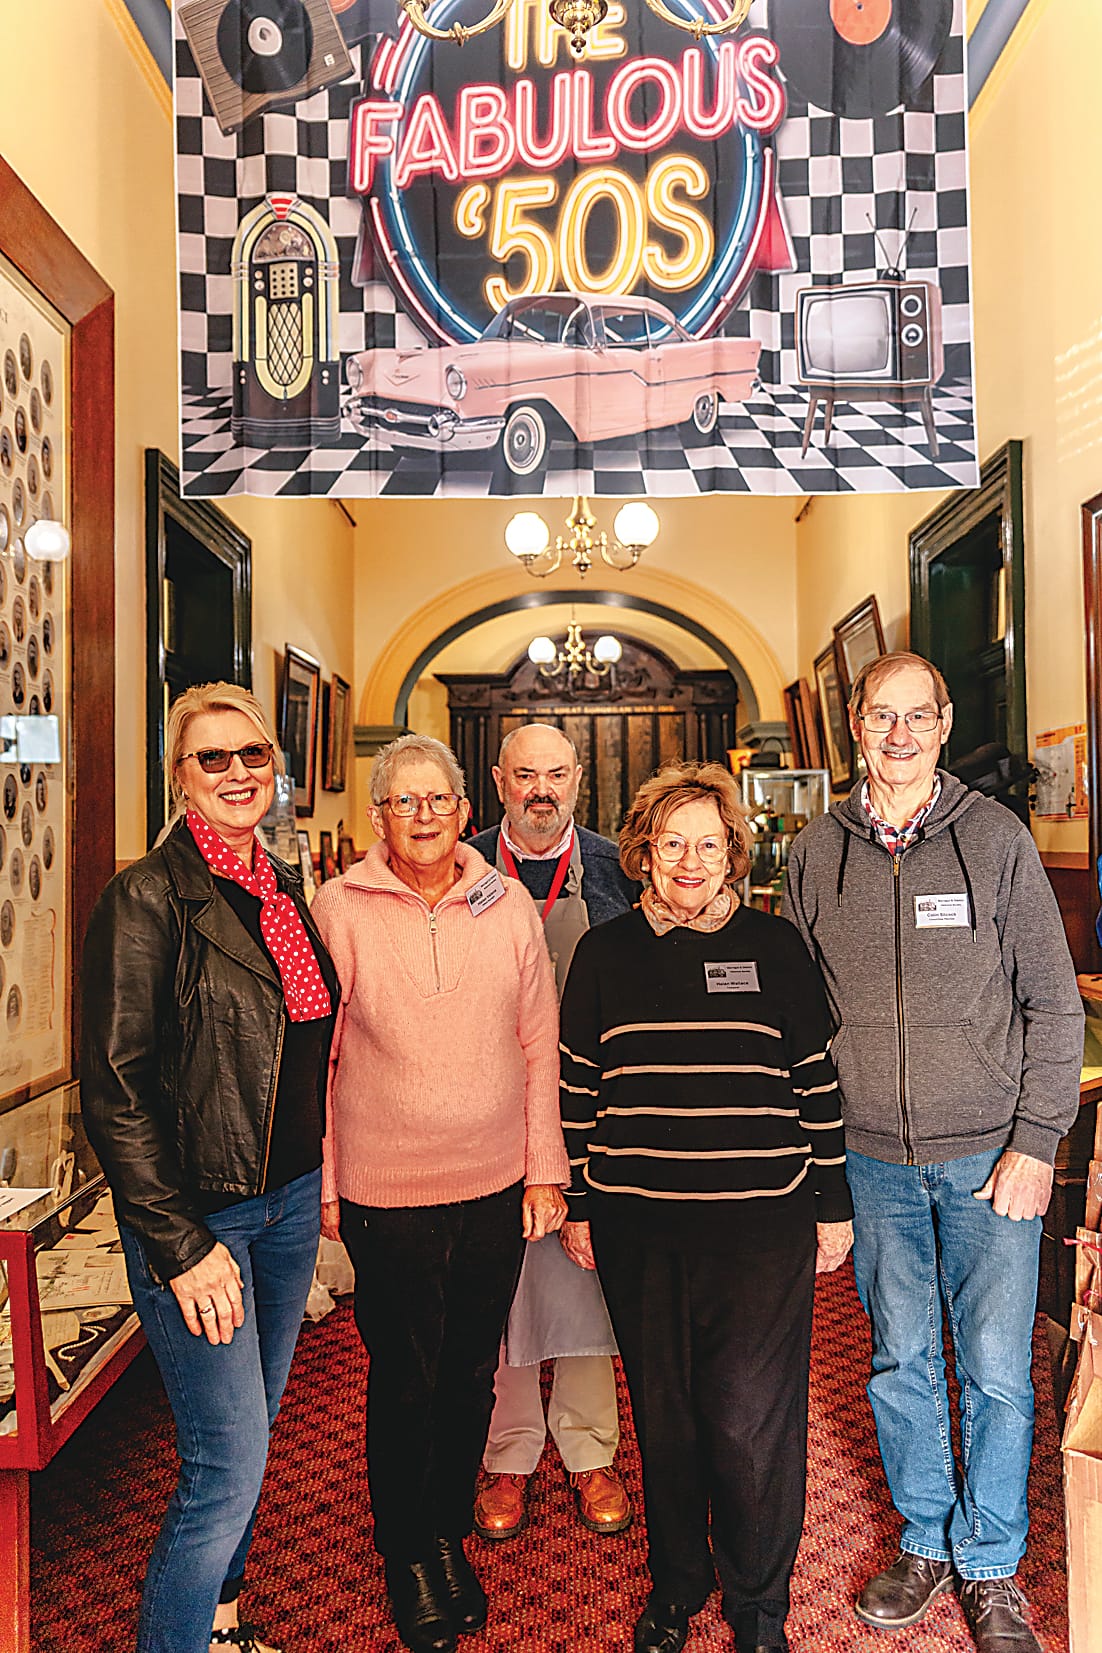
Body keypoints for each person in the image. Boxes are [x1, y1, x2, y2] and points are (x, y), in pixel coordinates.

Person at [782, 651, 1083, 1653]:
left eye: (919, 716)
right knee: (899, 1360)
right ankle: (924, 1538)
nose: (899, 735)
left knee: (997, 1370)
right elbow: (795, 1022)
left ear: (945, 723)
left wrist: (1036, 1142)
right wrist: (817, 1163)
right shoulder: (812, 853)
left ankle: (991, 1565)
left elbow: (1052, 1004)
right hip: (870, 1164)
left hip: (991, 1161)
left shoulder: (996, 842)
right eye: (881, 717)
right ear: (855, 728)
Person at [560, 760, 854, 1653]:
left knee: (749, 1415)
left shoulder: (775, 947)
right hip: (636, 1224)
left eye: (710, 843)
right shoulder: (603, 952)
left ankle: (759, 1604)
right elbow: (577, 1090)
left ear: (734, 851)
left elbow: (816, 1083)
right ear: (644, 854)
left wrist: (831, 1205)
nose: (691, 861)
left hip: (760, 1227)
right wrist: (577, 1199)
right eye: (673, 843)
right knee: (667, 1412)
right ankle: (678, 1586)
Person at [81, 683, 338, 1653]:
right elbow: (114, 1085)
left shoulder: (277, 884)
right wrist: (182, 1243)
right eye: (212, 759)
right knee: (224, 1462)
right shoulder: (147, 895)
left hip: (284, 1205)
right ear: (179, 778)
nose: (238, 774)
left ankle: (223, 1626)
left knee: (255, 1438)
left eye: (253, 756)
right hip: (202, 1222)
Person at [310, 734, 569, 1653]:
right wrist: (330, 1179)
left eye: (439, 799)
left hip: (495, 1182)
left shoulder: (506, 909)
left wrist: (547, 1171)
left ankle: (447, 1532)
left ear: (467, 810)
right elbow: (320, 1056)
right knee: (406, 1375)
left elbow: (540, 1044)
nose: (423, 815)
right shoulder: (336, 906)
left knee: (471, 1371)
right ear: (379, 814)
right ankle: (406, 1550)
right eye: (403, 800)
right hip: (387, 1191)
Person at [467, 722, 636, 1542]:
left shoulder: (616, 868)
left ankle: (588, 1447)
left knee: (584, 1271)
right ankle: (507, 1454)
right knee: (501, 1280)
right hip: (484, 1107)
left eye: (556, 774)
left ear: (578, 779)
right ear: (498, 781)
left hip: (593, 1108)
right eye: (525, 774)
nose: (541, 789)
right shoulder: (456, 865)